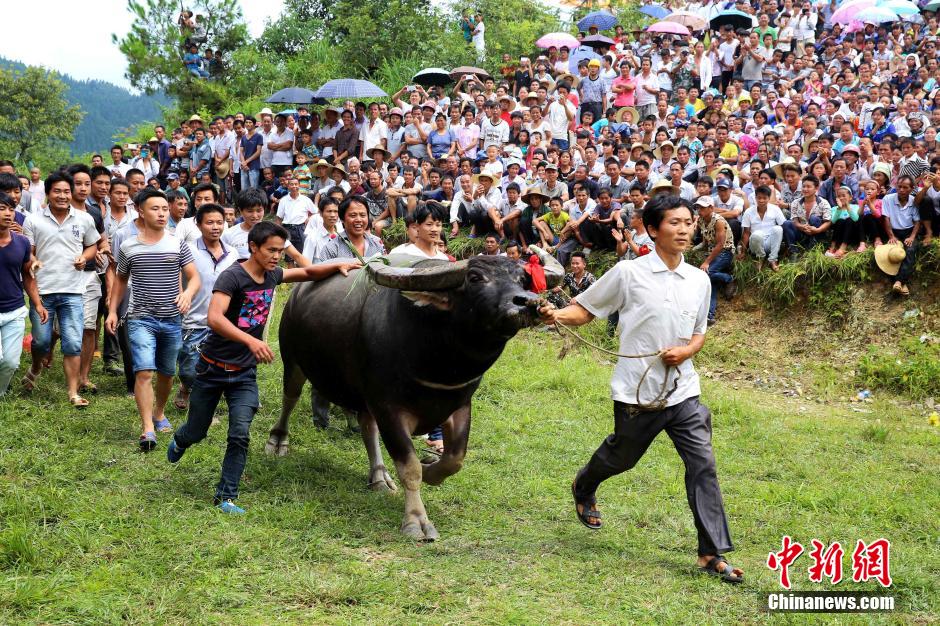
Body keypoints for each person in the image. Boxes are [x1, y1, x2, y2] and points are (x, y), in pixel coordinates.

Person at [537, 193, 743, 585]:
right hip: (637, 392)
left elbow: (700, 332)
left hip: (684, 391)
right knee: (622, 458)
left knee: (703, 466)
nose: (684, 229)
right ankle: (585, 483)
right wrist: (555, 314)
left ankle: (710, 551)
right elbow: (585, 310)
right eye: (674, 223)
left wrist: (686, 351)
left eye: (688, 222)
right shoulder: (629, 273)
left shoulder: (699, 280)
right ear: (651, 229)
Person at [167, 222, 361, 513]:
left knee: (240, 433)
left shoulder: (273, 275)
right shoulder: (232, 277)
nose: (276, 256)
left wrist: (340, 266)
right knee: (197, 430)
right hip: (212, 370)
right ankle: (182, 440)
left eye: (281, 251)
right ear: (253, 247)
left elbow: (307, 272)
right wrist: (251, 342)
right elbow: (215, 318)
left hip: (244, 373)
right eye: (271, 250)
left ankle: (225, 496)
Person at [105, 188, 201, 451]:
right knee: (144, 371)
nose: (161, 213)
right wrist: (113, 311)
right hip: (140, 318)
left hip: (172, 319)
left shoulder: (176, 242)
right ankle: (147, 427)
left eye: (163, 208)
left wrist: (188, 294)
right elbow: (121, 281)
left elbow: (194, 277)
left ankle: (159, 412)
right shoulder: (128, 245)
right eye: (154, 208)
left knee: (167, 372)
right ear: (140, 211)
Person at [23, 171, 101, 407]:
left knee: (72, 343)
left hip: (73, 291)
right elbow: (29, 250)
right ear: (47, 193)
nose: (63, 195)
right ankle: (36, 366)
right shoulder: (34, 220)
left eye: (67, 191)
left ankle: (72, 393)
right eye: (57, 191)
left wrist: (83, 257)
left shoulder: (84, 219)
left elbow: (92, 247)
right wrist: (33, 259)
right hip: (43, 290)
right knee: (41, 342)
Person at [174, 203, 237, 412]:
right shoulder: (187, 250)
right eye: (209, 222)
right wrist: (181, 296)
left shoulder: (233, 254)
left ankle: (204, 406)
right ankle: (185, 386)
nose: (215, 227)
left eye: (220, 222)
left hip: (222, 321)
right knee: (190, 368)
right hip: (193, 320)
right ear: (198, 224)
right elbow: (177, 277)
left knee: (217, 366)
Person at [0, 192, 43, 396]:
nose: (8, 214)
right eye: (2, 209)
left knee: (10, 362)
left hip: (15, 309)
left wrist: (37, 303)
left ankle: (1, 392)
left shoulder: (22, 242)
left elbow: (27, 275)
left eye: (11, 209)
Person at [223, 188, 310, 265]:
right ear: (240, 211)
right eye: (250, 211)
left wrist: (315, 273)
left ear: (264, 209)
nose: (255, 215)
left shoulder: (274, 231)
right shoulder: (228, 234)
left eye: (259, 210)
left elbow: (296, 256)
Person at [692, 196, 735, 324]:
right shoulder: (701, 220)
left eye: (703, 208)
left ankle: (729, 279)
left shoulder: (718, 221)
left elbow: (720, 244)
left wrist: (706, 262)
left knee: (707, 273)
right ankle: (709, 316)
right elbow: (706, 241)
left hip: (725, 252)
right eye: (698, 208)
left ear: (711, 208)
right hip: (712, 251)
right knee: (710, 282)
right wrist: (694, 249)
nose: (699, 210)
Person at [880, 175, 920, 296]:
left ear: (911, 188)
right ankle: (902, 283)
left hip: (909, 231)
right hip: (893, 231)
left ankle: (898, 281)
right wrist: (891, 236)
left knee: (910, 251)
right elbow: (886, 219)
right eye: (899, 187)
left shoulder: (914, 200)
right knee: (892, 255)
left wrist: (912, 237)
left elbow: (917, 222)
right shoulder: (888, 198)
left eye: (905, 187)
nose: (901, 190)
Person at [739, 185, 786, 271]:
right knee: (757, 234)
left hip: (770, 243)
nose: (761, 200)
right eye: (759, 198)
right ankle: (760, 258)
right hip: (755, 244)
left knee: (778, 229)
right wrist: (743, 252)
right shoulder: (748, 212)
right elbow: (746, 233)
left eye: (764, 198)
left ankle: (773, 259)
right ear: (755, 198)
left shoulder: (775, 209)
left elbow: (784, 225)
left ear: (768, 198)